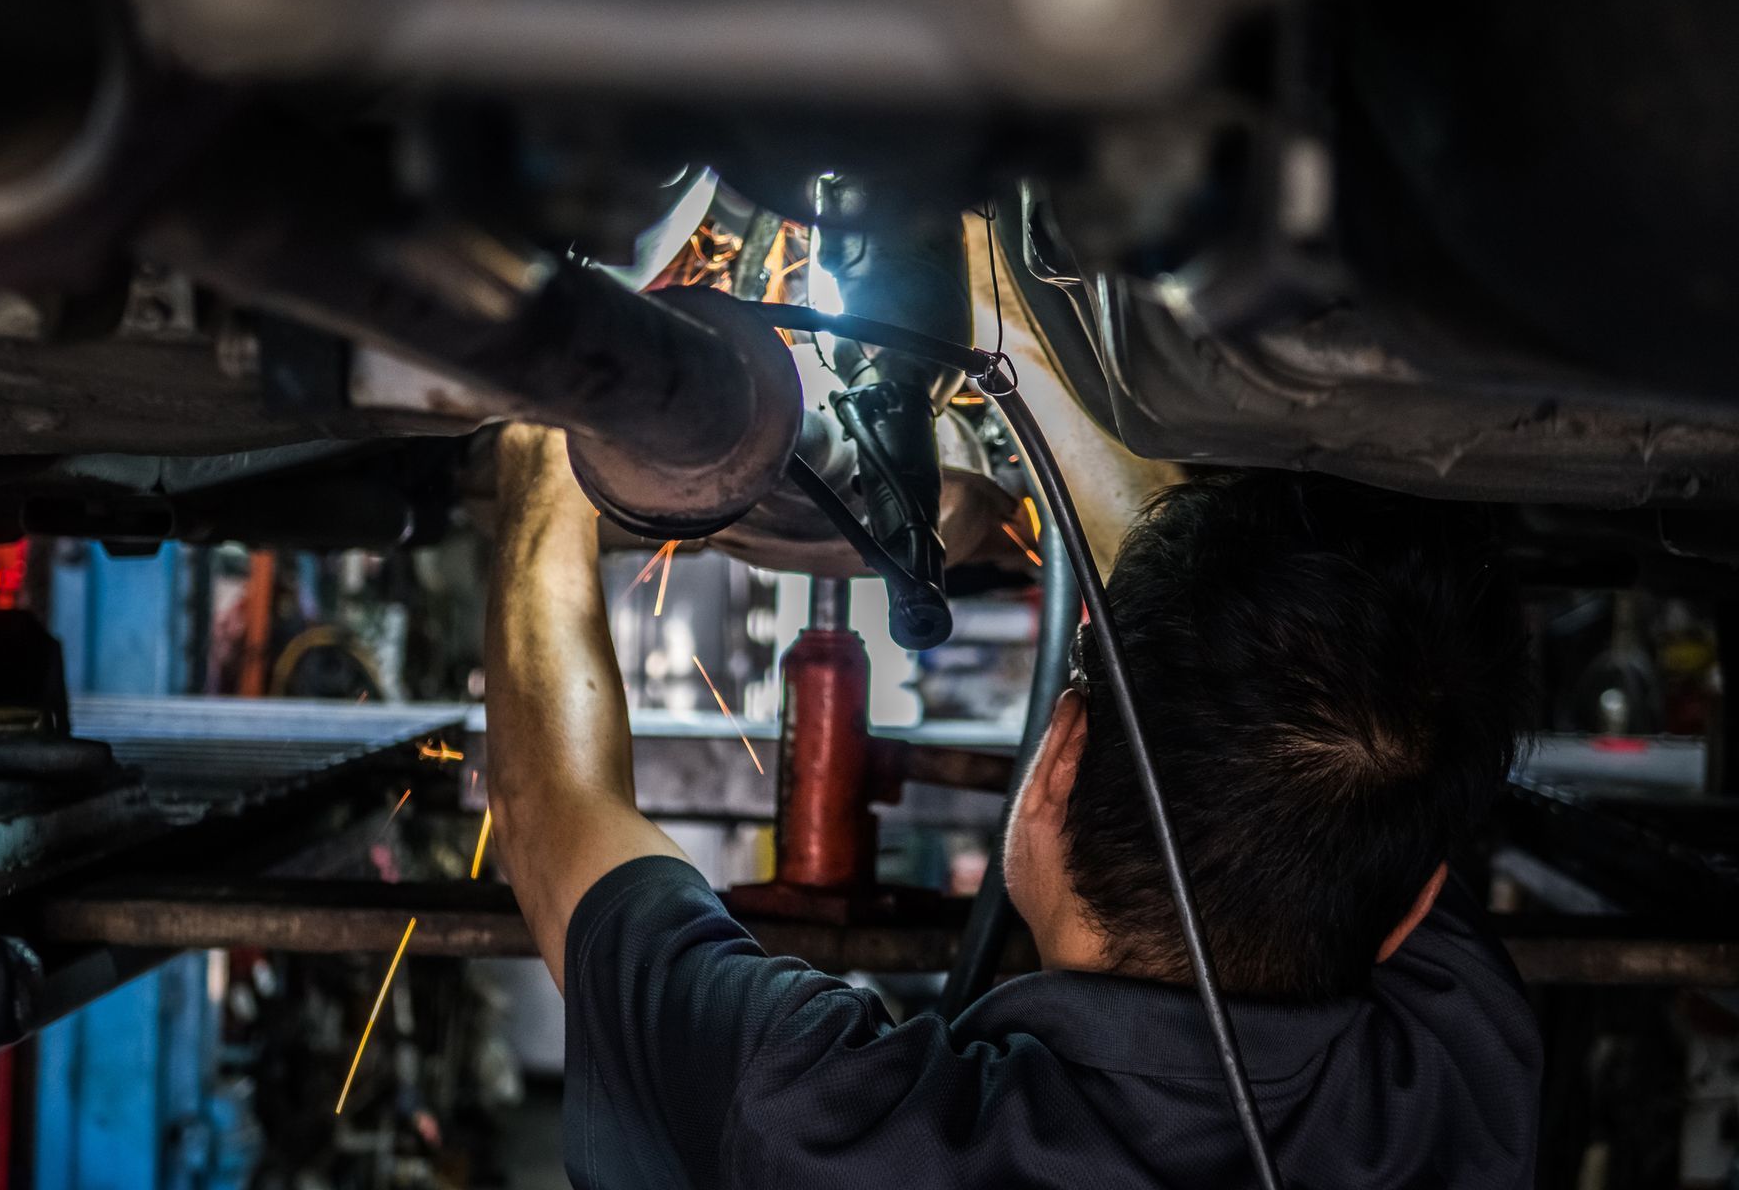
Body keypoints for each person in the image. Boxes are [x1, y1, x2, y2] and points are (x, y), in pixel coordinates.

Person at [484, 423, 1542, 1189]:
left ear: (1058, 759)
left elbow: (550, 814)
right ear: (1414, 908)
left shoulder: (818, 1126)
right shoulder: (1464, 1077)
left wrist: (544, 458)